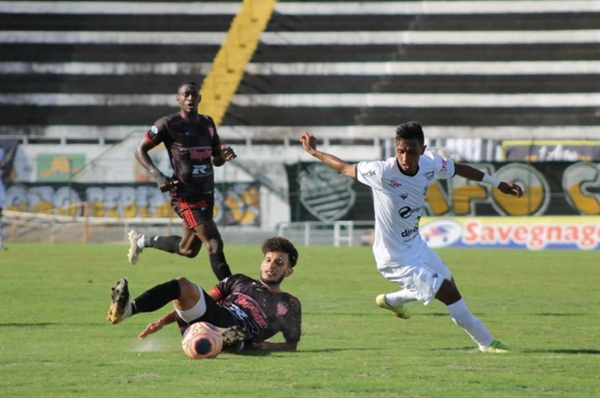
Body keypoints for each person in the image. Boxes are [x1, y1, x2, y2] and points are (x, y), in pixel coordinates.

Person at [300, 122, 524, 353]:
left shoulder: (431, 163)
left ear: (423, 149)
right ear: (396, 147)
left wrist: (498, 184)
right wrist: (314, 152)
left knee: (447, 283)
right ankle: (486, 343)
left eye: (412, 152)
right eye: (401, 151)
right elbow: (345, 168)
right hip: (393, 257)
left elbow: (458, 169)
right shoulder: (381, 171)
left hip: (416, 245)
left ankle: (391, 301)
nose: (405, 157)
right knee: (449, 293)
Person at [107, 236, 301, 352]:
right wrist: (162, 322)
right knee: (182, 284)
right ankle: (128, 310)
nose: (271, 266)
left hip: (238, 334)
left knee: (238, 334)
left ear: (288, 271)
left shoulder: (289, 303)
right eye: (268, 260)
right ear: (261, 262)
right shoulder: (239, 280)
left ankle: (217, 340)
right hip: (216, 317)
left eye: (279, 263)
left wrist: (268, 346)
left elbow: (291, 345)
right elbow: (203, 300)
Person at [128, 81, 237, 280]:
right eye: (185, 95)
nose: (190, 98)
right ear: (178, 99)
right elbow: (139, 150)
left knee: (187, 249)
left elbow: (216, 160)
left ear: (199, 98)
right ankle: (235, 294)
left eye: (194, 95)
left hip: (206, 193)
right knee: (214, 242)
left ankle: (142, 240)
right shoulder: (168, 124)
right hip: (186, 195)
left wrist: (223, 156)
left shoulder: (207, 124)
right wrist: (158, 175)